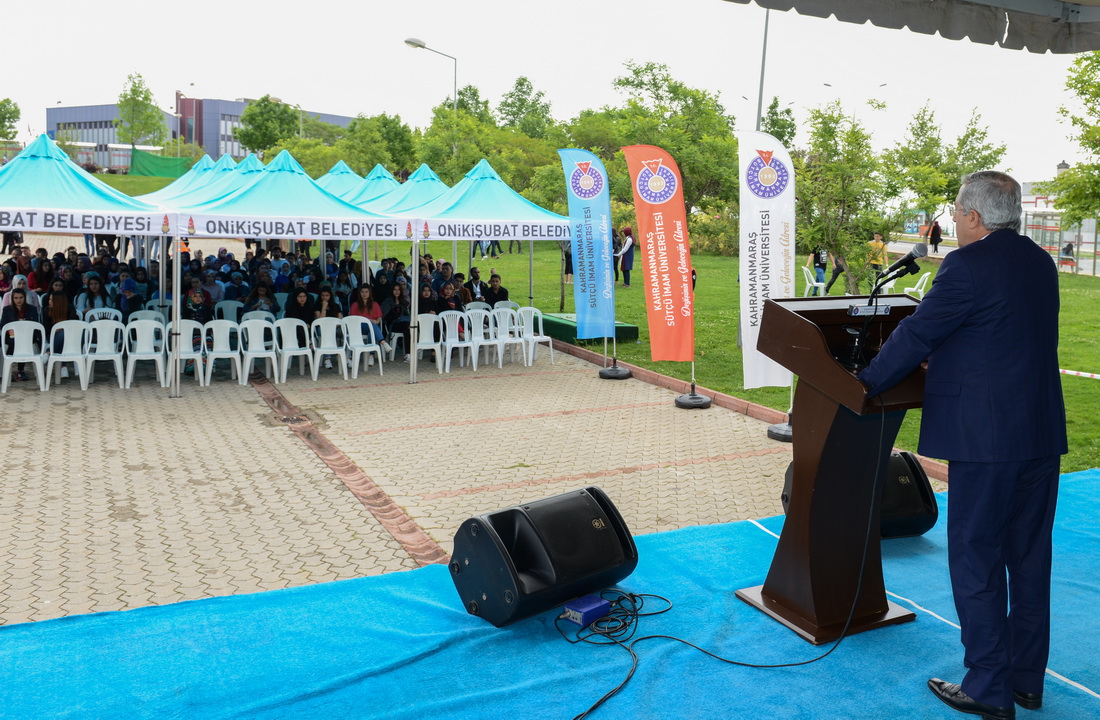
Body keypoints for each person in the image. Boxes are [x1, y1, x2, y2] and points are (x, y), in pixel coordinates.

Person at [857, 171, 1066, 720]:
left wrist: (865, 382)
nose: (952, 220)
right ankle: (1026, 680)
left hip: (985, 439)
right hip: (1039, 431)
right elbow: (1001, 333)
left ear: (974, 216)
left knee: (976, 558)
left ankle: (989, 687)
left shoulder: (966, 264)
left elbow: (918, 332)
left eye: (955, 211)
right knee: (1029, 559)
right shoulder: (1039, 261)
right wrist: (951, 358)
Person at [1, 288, 39, 382]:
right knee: (14, 341)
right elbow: (3, 325)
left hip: (28, 335)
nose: (19, 300)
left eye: (21, 297)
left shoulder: (32, 309)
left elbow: (35, 325)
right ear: (12, 299)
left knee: (21, 341)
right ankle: (12, 370)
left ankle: (17, 370)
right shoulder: (7, 309)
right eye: (16, 298)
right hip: (11, 335)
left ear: (24, 298)